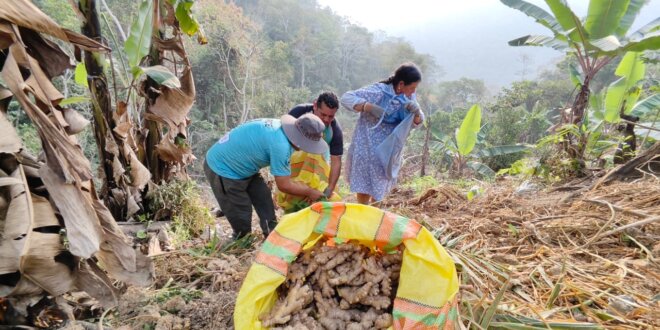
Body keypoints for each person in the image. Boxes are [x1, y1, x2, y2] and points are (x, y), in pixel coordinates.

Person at [204, 113, 327, 239]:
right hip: (224, 168)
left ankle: (271, 233)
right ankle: (240, 239)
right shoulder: (281, 145)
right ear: (300, 139)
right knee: (241, 212)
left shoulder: (281, 130)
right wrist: (309, 192)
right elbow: (284, 185)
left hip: (244, 166)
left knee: (263, 195)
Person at [340, 62, 425, 205]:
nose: (413, 92)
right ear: (401, 84)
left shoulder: (409, 97)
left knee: (381, 188)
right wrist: (367, 106)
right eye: (411, 88)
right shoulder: (378, 91)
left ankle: (376, 216)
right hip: (366, 146)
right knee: (364, 186)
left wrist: (417, 112)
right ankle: (363, 213)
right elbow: (346, 98)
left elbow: (418, 121)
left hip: (387, 151)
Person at [287, 92, 343, 197]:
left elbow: (336, 161)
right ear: (315, 106)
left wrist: (329, 189)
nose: (326, 119)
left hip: (318, 168)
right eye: (323, 114)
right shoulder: (298, 112)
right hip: (294, 164)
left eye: (331, 116)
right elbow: (282, 141)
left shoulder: (335, 129)